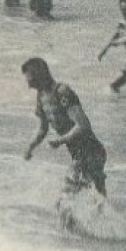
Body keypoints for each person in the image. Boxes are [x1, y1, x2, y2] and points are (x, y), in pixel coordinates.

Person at [21, 57, 107, 198]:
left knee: (66, 199)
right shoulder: (41, 96)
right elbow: (43, 128)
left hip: (91, 152)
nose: (28, 84)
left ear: (39, 74)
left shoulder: (62, 92)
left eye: (29, 78)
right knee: (96, 202)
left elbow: (83, 125)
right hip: (78, 154)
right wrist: (30, 148)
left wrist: (61, 140)